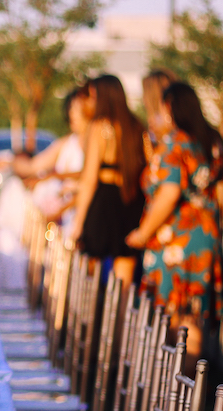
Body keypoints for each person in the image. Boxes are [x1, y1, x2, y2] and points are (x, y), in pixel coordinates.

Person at [125, 82, 223, 370]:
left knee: (175, 315)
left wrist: (143, 232)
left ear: (171, 107)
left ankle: (177, 395)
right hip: (205, 234)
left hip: (177, 236)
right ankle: (191, 394)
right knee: (192, 312)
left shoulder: (177, 141)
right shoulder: (211, 139)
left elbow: (169, 191)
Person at [69, 75, 147, 290]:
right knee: (125, 266)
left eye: (93, 96)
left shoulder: (99, 126)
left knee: (91, 265)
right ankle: (121, 319)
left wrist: (78, 222)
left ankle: (93, 319)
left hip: (104, 199)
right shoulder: (136, 125)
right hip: (130, 198)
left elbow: (89, 179)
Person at [12, 86, 88, 234]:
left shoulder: (96, 143)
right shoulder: (66, 144)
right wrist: (9, 161)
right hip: (66, 218)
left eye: (76, 109)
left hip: (82, 216)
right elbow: (32, 166)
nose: (71, 114)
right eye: (70, 109)